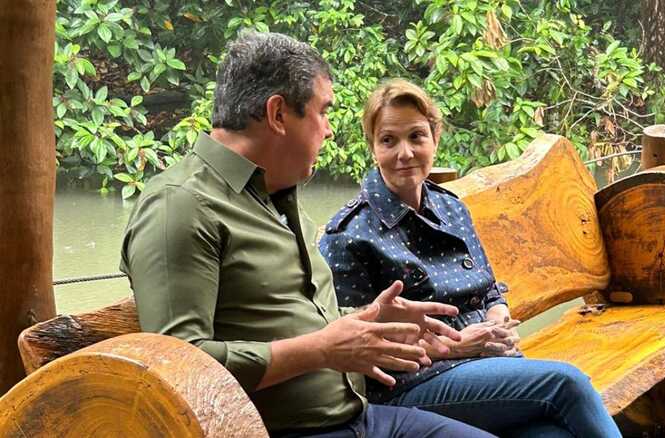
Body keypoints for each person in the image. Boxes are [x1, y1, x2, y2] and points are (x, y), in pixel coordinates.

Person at [120, 32, 498, 438]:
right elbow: (178, 368)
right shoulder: (180, 206)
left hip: (360, 417)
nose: (330, 130)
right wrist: (321, 350)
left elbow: (296, 323)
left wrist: (370, 321)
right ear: (278, 114)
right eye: (323, 111)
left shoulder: (274, 193)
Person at [319, 79, 622, 438]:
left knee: (552, 434)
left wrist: (498, 320)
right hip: (413, 386)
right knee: (566, 382)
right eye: (389, 140)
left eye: (416, 136)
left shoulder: (450, 206)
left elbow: (490, 290)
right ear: (372, 148)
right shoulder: (350, 234)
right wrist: (456, 346)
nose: (405, 153)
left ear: (435, 138)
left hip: (488, 361)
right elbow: (358, 349)